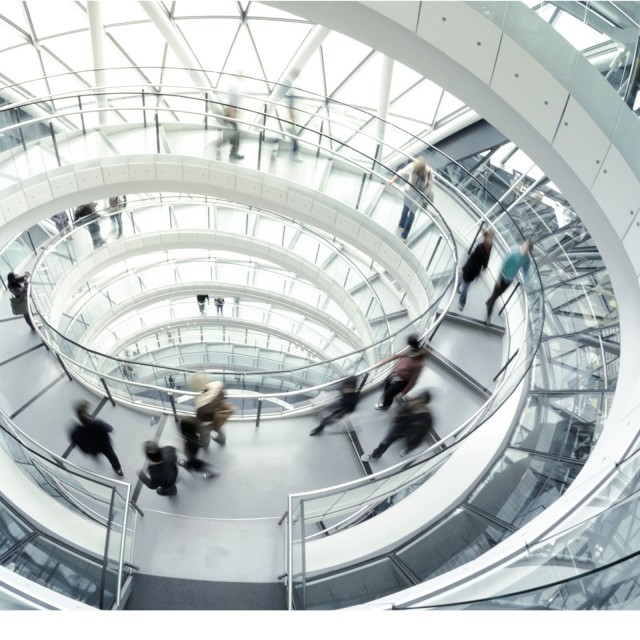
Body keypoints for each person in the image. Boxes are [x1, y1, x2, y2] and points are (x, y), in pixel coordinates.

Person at [362, 391, 434, 462]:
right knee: (385, 442)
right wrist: (395, 419)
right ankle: (375, 455)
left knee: (410, 445)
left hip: (410, 433)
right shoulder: (410, 404)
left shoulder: (426, 418)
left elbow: (422, 433)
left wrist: (413, 444)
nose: (417, 401)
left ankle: (408, 450)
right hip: (398, 428)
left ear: (425, 403)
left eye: (421, 400)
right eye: (419, 398)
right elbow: (400, 412)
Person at [485, 239, 534, 325]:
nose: (524, 250)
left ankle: (489, 302)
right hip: (502, 277)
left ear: (528, 251)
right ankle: (488, 316)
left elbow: (526, 272)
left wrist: (525, 285)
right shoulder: (514, 251)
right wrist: (498, 279)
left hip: (509, 281)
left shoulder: (526, 259)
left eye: (527, 250)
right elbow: (503, 263)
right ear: (523, 245)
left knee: (496, 295)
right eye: (524, 247)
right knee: (495, 297)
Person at [69, 401, 124, 477]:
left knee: (97, 455)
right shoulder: (97, 423)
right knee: (112, 456)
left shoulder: (75, 432)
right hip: (105, 446)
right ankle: (118, 469)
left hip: (92, 449)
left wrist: (87, 451)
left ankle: (96, 457)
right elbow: (110, 429)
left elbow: (77, 444)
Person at [375, 334, 428, 411]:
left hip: (402, 381)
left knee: (388, 393)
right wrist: (383, 362)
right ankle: (388, 397)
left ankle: (386, 404)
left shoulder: (418, 364)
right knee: (386, 383)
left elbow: (413, 381)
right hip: (395, 374)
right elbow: (396, 356)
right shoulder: (411, 351)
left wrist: (403, 392)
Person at [387, 157, 434, 243]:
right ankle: (401, 224)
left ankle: (404, 236)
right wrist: (392, 180)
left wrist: (429, 184)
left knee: (411, 215)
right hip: (409, 192)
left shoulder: (428, 171)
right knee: (405, 209)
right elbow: (401, 172)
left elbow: (431, 182)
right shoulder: (412, 166)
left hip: (418, 196)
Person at [190, 374, 234, 445]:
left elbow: (200, 417)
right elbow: (223, 396)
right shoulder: (218, 385)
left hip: (206, 421)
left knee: (205, 434)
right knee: (220, 427)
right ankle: (222, 439)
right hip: (219, 415)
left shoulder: (200, 401)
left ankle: (205, 443)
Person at [457, 229, 494, 312]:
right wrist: (464, 268)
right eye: (488, 237)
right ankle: (462, 303)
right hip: (471, 269)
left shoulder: (486, 246)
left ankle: (458, 286)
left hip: (473, 270)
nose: (488, 239)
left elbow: (484, 257)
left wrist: (485, 265)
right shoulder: (481, 247)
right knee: (465, 287)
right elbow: (472, 259)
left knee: (464, 282)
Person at [224, 73, 243, 160]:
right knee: (235, 134)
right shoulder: (234, 87)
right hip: (231, 111)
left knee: (235, 133)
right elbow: (230, 102)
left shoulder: (235, 86)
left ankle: (233, 153)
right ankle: (233, 153)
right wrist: (232, 115)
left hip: (232, 110)